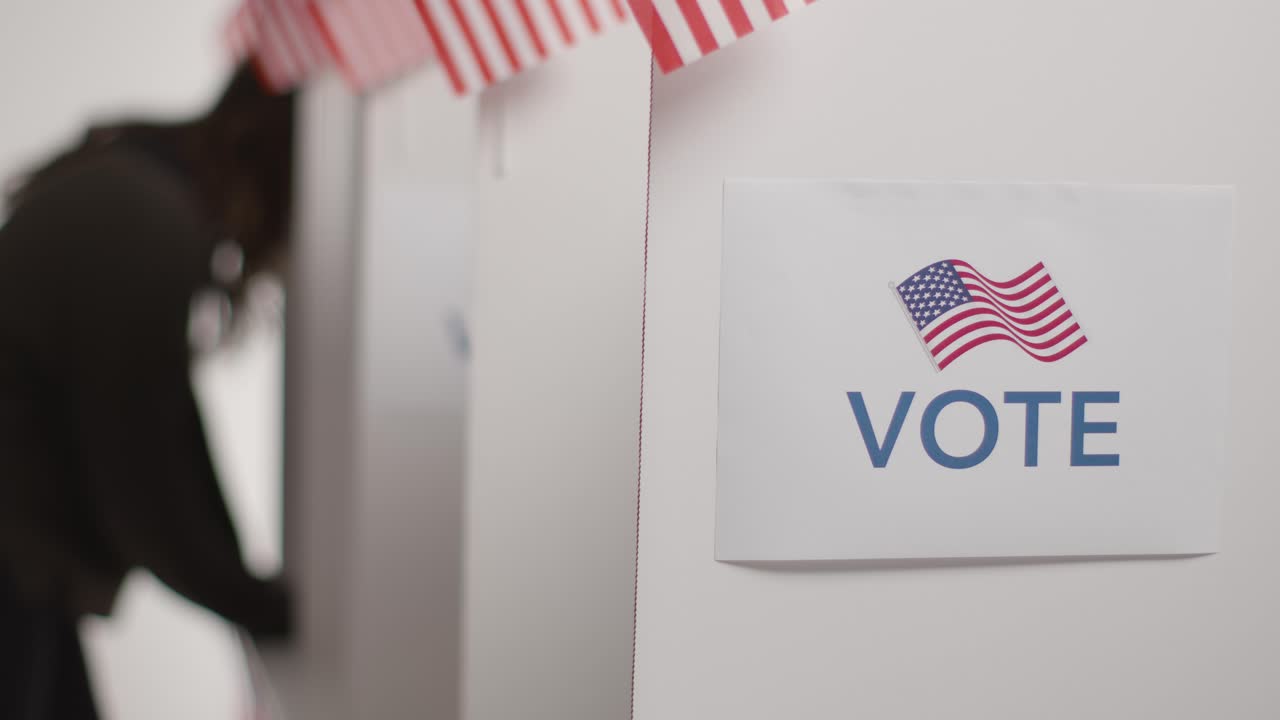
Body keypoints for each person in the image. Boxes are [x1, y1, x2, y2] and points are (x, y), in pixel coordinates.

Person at [0, 64, 295, 719]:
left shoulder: (133, 193)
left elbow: (166, 437)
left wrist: (247, 591)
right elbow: (145, 475)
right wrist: (260, 605)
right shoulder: (137, 218)